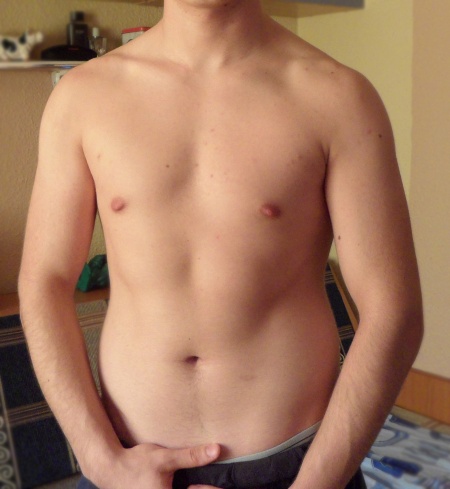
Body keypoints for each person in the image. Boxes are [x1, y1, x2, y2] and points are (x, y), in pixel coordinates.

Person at [18, 0, 423, 488]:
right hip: (125, 468)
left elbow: (393, 311)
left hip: (297, 470)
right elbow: (44, 282)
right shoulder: (82, 96)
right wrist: (99, 458)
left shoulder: (338, 97)